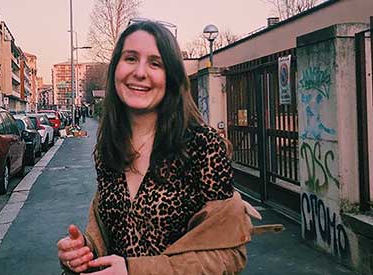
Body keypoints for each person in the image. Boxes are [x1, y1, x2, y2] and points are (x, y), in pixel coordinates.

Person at [57, 20, 256, 275]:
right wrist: (82, 252)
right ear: (116, 68)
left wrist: (135, 270)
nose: (140, 72)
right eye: (130, 58)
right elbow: (109, 236)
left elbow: (230, 255)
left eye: (155, 63)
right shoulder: (109, 146)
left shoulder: (204, 146)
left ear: (171, 76)